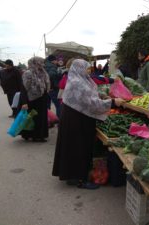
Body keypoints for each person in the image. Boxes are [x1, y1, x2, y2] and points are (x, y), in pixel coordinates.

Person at [52, 59, 125, 189]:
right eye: (86, 68)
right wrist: (113, 102)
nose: (89, 70)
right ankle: (80, 179)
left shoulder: (79, 79)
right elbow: (91, 103)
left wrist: (102, 96)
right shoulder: (77, 82)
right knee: (79, 147)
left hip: (74, 117)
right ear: (79, 68)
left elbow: (91, 95)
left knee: (72, 147)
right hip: (76, 119)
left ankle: (71, 175)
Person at [20, 57, 50, 142]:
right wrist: (24, 102)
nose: (43, 64)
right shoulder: (28, 73)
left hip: (42, 99)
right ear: (35, 63)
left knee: (41, 118)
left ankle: (39, 135)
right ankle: (29, 135)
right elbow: (24, 88)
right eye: (41, 62)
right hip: (31, 100)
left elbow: (46, 84)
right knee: (31, 118)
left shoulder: (43, 72)